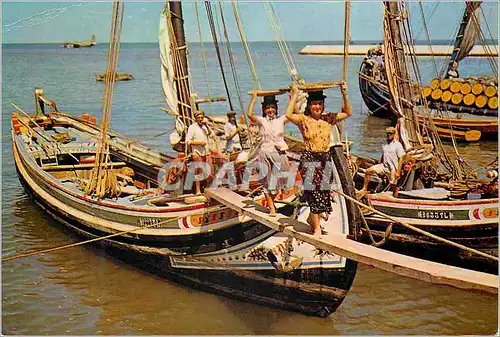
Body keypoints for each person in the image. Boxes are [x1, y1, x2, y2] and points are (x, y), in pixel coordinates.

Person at [286, 84, 348, 236]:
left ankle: (311, 218)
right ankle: (317, 228)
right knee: (313, 192)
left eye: (320, 104)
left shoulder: (329, 118)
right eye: (314, 104)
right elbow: (288, 115)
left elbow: (347, 112)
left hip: (325, 158)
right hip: (309, 158)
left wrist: (344, 93)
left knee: (324, 191)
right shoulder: (304, 120)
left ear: (323, 105)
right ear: (310, 105)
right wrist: (294, 95)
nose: (317, 107)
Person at [247, 93, 290, 217]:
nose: (270, 110)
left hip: (278, 152)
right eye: (267, 108)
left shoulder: (281, 120)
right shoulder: (261, 121)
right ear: (264, 110)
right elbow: (250, 114)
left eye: (272, 107)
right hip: (264, 153)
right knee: (266, 181)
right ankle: (271, 207)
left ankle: (271, 201)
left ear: (276, 108)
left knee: (283, 180)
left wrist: (292, 97)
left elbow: (292, 113)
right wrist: (254, 98)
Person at [357, 126, 405, 198]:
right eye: (388, 133)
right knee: (368, 171)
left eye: (390, 134)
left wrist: (398, 171)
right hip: (384, 165)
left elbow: (401, 158)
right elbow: (383, 154)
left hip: (392, 168)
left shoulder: (397, 145)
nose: (389, 135)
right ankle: (364, 188)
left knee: (393, 185)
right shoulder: (384, 144)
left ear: (394, 134)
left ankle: (395, 198)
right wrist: (380, 162)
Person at [185, 109, 213, 195]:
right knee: (198, 171)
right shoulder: (192, 127)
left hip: (205, 152)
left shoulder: (204, 127)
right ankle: (198, 190)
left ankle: (207, 188)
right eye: (198, 117)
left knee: (208, 170)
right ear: (195, 118)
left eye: (202, 117)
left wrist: (207, 125)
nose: (200, 119)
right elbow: (188, 141)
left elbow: (210, 133)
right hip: (197, 152)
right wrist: (199, 143)